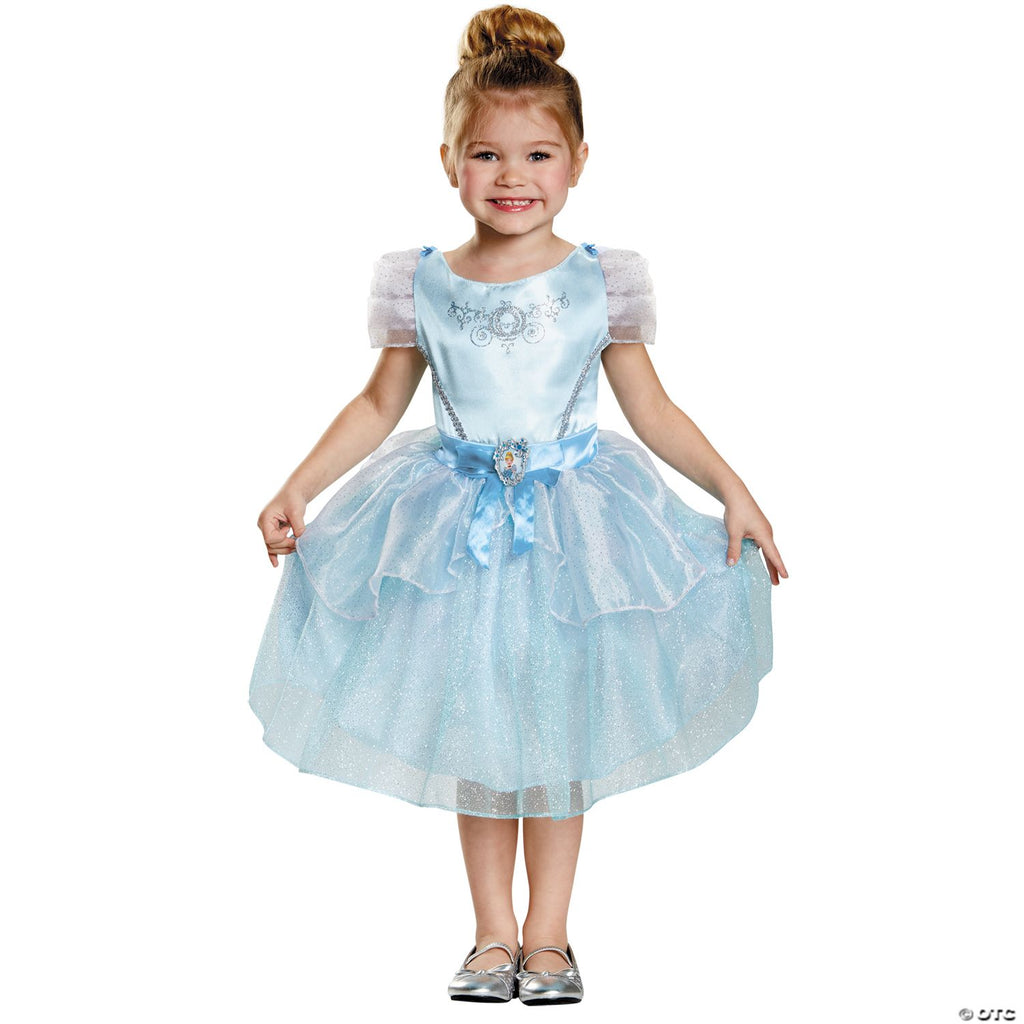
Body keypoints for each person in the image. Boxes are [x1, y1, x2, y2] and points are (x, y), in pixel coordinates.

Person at [251, 4, 787, 1006]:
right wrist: (298, 485)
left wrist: (733, 492)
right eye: (487, 154)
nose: (513, 176)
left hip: (576, 537)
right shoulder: (421, 283)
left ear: (578, 160)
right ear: (448, 161)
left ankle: (550, 936)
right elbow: (377, 404)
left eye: (538, 154)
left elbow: (651, 408)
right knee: (481, 730)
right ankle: (491, 933)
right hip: (452, 537)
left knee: (557, 731)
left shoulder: (600, 282)